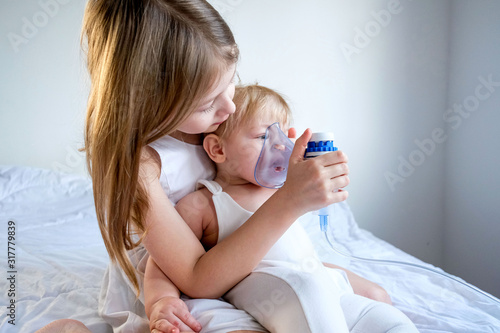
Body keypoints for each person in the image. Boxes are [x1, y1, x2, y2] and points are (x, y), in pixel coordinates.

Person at [39, 1, 350, 333]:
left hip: (239, 265)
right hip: (176, 288)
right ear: (148, 98)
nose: (229, 106)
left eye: (229, 83)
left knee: (364, 297)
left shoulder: (213, 123)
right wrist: (290, 200)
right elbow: (196, 277)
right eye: (208, 102)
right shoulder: (142, 167)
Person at [163, 84, 419, 332]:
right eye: (264, 136)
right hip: (269, 289)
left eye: (284, 136)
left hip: (315, 279)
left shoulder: (284, 189)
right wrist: (161, 300)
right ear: (218, 149)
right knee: (307, 289)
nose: (280, 145)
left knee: (387, 319)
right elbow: (166, 261)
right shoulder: (205, 203)